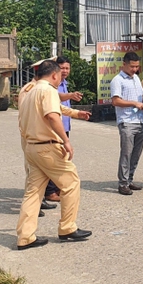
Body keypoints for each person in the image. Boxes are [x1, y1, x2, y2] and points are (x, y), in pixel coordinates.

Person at [16, 60, 92, 250]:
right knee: (71, 182)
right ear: (54, 75)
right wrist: (66, 140)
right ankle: (67, 227)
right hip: (47, 147)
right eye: (60, 75)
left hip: (32, 147)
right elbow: (52, 115)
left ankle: (25, 237)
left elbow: (56, 109)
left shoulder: (29, 91)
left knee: (33, 193)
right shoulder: (48, 90)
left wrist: (76, 113)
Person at [43, 56, 85, 204]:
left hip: (64, 126)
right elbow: (57, 97)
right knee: (54, 160)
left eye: (67, 68)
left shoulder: (64, 82)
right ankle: (50, 191)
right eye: (62, 68)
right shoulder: (51, 85)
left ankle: (56, 188)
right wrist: (70, 95)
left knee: (62, 158)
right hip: (55, 128)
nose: (65, 71)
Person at [110, 51, 143, 195]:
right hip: (127, 121)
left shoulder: (136, 78)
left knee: (136, 154)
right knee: (126, 153)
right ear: (124, 64)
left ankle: (130, 179)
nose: (134, 69)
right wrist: (134, 103)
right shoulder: (117, 80)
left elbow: (141, 96)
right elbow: (115, 101)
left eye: (137, 67)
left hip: (140, 120)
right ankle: (123, 183)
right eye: (132, 66)